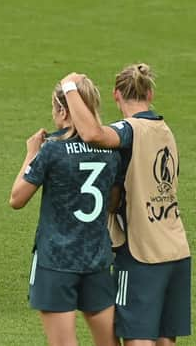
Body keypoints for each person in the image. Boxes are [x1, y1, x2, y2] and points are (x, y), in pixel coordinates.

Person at [62, 65, 191, 346]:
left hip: (141, 254)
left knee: (138, 339)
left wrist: (70, 89)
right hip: (176, 248)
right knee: (165, 339)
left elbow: (94, 134)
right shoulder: (165, 129)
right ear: (150, 93)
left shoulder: (130, 130)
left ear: (116, 95)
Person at [9, 77, 121, 346]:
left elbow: (16, 198)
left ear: (62, 110)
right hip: (96, 257)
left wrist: (31, 153)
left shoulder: (52, 150)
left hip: (55, 260)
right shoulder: (111, 150)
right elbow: (113, 204)